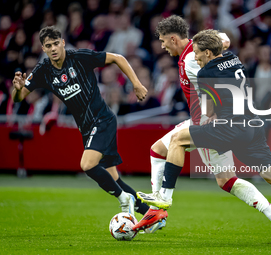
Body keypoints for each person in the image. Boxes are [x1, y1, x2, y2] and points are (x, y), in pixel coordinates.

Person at [138, 29, 271, 240]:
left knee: (178, 140)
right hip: (253, 127)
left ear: (208, 52)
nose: (194, 57)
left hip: (229, 127)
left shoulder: (206, 73)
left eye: (197, 52)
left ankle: (164, 198)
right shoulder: (232, 58)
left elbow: (208, 112)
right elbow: (223, 43)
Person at [134, 16, 271, 243]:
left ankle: (160, 206)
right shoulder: (195, 48)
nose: (162, 46)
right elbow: (222, 43)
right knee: (225, 180)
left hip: (206, 123)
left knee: (165, 149)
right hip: (208, 120)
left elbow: (214, 80)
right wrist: (223, 40)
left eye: (163, 41)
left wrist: (213, 116)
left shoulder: (190, 60)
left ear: (173, 38)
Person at [11, 26, 164, 233]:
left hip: (102, 120)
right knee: (113, 177)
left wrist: (136, 84)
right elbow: (19, 97)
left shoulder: (80, 57)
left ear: (63, 43)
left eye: (56, 43)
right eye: (49, 46)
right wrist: (17, 89)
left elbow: (118, 58)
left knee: (87, 164)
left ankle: (124, 199)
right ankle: (151, 214)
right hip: (87, 127)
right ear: (43, 49)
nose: (54, 48)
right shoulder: (43, 71)